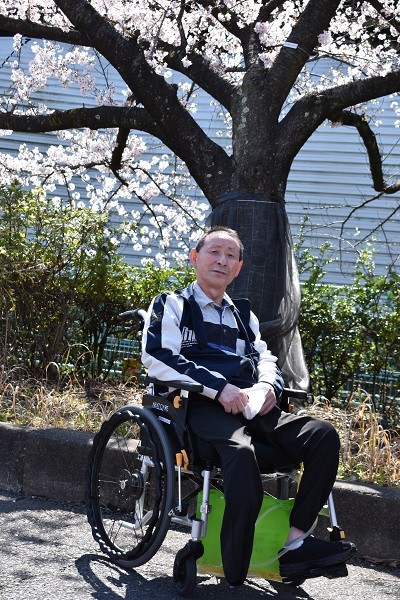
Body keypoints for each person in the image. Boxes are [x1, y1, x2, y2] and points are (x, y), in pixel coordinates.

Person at [141, 226, 356, 587]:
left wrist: (268, 386)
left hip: (252, 403)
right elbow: (158, 357)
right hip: (201, 405)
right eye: (214, 252)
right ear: (195, 258)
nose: (222, 260)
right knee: (241, 453)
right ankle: (235, 564)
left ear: (238, 268)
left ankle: (295, 543)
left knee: (322, 435)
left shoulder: (244, 316)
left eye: (231, 256)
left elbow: (265, 358)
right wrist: (218, 388)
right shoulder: (173, 305)